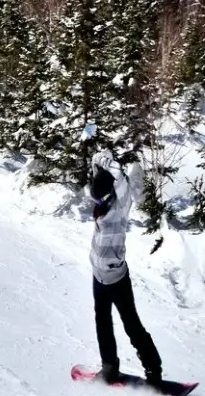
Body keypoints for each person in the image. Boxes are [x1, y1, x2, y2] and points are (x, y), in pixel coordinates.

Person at [89, 148, 162, 388]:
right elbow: (96, 165)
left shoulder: (121, 202)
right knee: (102, 322)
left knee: (131, 324)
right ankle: (109, 368)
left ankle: (154, 372)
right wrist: (99, 160)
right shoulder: (100, 197)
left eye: (100, 199)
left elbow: (118, 174)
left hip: (117, 277)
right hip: (98, 275)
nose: (98, 203)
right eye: (96, 199)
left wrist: (108, 161)